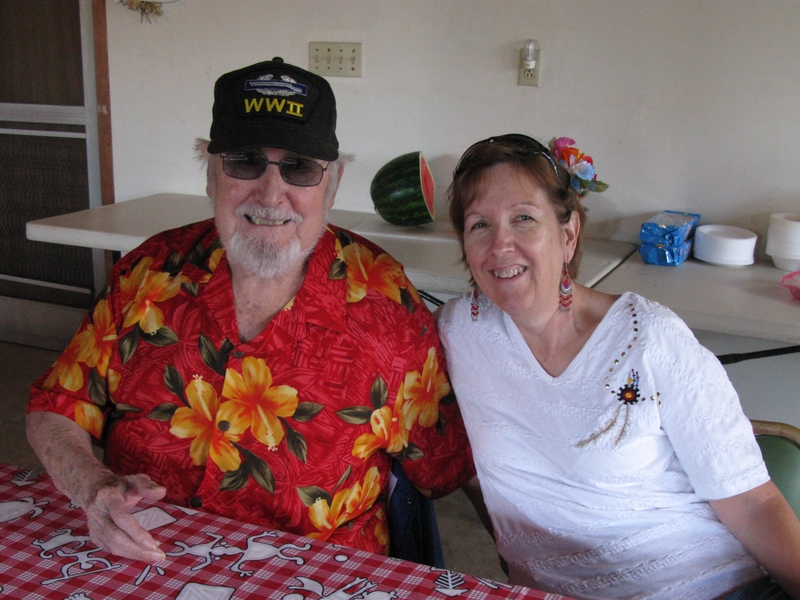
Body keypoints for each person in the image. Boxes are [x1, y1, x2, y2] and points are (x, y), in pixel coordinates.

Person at [26, 57, 474, 563]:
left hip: (309, 576)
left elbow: (441, 468)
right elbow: (55, 406)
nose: (271, 193)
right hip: (147, 557)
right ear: (210, 175)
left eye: (299, 167)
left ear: (331, 184)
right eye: (244, 161)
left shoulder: (386, 304)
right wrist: (93, 486)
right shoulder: (147, 273)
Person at [436, 133, 800, 599]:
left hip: (709, 587)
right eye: (479, 225)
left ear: (568, 234)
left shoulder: (650, 339)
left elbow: (752, 502)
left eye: (523, 218)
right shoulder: (458, 332)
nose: (500, 243)